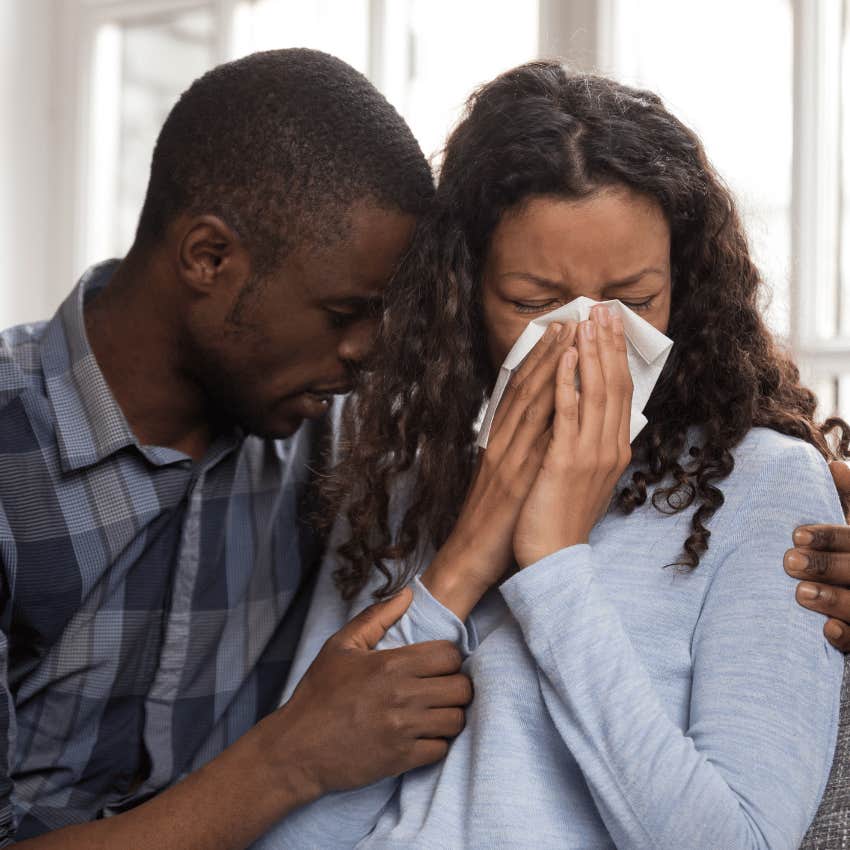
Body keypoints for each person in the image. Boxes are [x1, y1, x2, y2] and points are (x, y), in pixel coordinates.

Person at [255, 62, 850, 849]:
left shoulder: (766, 487)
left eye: (635, 300)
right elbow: (298, 830)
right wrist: (462, 563)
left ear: (687, 285)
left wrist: (553, 566)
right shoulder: (408, 470)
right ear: (462, 293)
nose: (588, 340)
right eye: (534, 303)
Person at [0, 49, 474, 848]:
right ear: (208, 258)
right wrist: (294, 759)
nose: (368, 354)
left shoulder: (325, 438)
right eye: (343, 312)